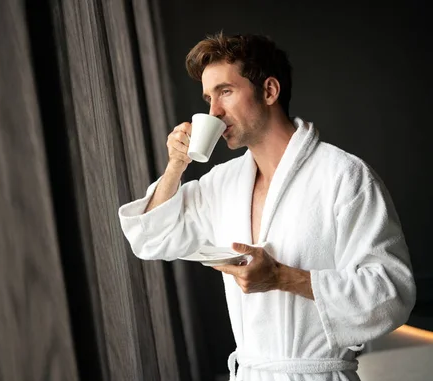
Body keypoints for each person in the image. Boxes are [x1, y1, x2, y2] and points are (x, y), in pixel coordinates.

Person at [117, 33, 416, 381]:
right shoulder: (223, 183)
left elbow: (391, 294)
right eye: (208, 98)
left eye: (225, 92)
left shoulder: (344, 176)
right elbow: (150, 238)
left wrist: (282, 277)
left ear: (270, 91)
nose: (213, 111)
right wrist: (175, 167)